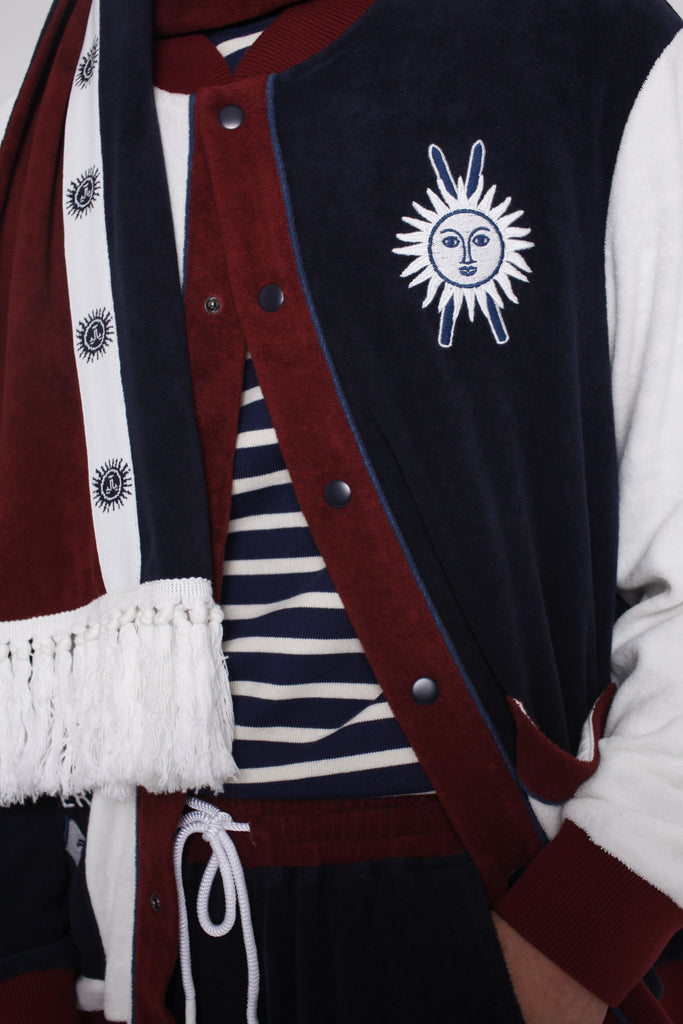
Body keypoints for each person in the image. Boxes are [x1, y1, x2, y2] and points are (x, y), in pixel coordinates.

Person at [1, 0, 683, 1021]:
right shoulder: (61, 113)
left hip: (503, 912)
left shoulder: (582, 45)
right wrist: (29, 969)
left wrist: (576, 945)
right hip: (152, 942)